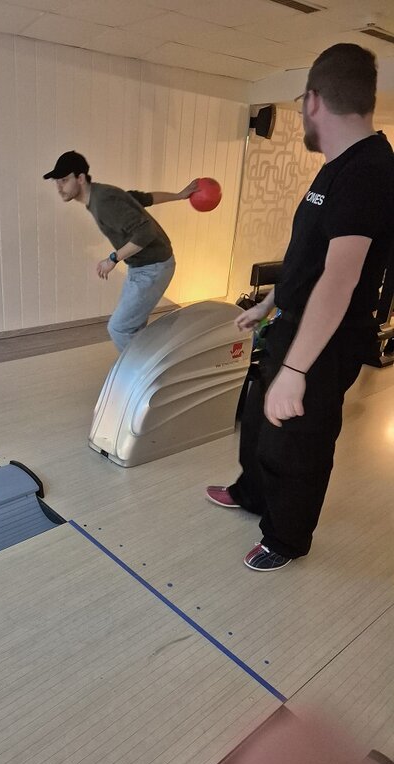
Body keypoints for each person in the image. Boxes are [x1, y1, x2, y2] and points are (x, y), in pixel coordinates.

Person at [206, 43, 394, 571]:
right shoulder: (337, 166)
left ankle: (287, 538)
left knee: (299, 443)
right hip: (293, 324)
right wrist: (269, 302)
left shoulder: (369, 171)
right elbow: (309, 256)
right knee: (259, 422)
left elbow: (340, 277)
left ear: (313, 101)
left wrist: (296, 369)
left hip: (325, 344)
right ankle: (253, 495)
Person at [43, 151, 197, 351]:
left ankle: (146, 373)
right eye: (56, 182)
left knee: (119, 328)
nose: (59, 187)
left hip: (153, 267)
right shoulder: (102, 194)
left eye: (64, 180)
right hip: (142, 266)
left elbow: (145, 232)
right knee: (132, 327)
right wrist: (179, 196)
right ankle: (148, 371)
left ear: (80, 178)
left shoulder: (103, 201)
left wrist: (112, 259)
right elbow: (144, 198)